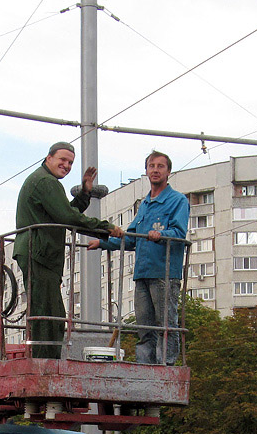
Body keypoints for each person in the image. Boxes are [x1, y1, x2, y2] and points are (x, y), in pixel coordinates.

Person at [14, 142, 124, 359]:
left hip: (39, 253)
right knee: (48, 316)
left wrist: (85, 193)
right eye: (62, 160)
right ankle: (45, 363)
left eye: (70, 162)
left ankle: (46, 360)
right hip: (38, 254)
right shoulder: (47, 182)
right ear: (48, 158)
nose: (66, 165)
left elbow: (64, 212)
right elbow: (67, 217)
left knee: (51, 314)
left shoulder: (44, 181)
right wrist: (106, 227)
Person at [89, 151, 189, 365]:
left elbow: (179, 234)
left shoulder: (177, 201)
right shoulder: (145, 204)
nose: (155, 170)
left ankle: (166, 367)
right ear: (146, 171)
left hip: (164, 273)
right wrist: (102, 243)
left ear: (168, 172)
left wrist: (161, 235)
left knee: (165, 325)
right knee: (144, 327)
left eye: (160, 166)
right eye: (151, 166)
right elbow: (131, 238)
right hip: (142, 273)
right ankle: (146, 367)